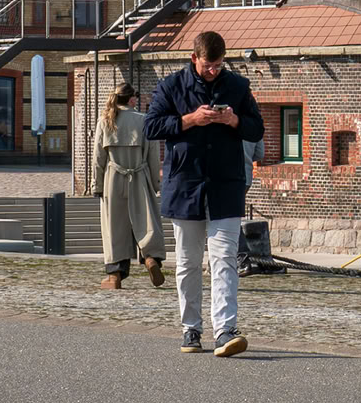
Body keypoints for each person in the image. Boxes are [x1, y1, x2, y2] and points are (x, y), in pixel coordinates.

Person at [144, 30, 263, 358]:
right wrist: (190, 120)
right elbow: (151, 127)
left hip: (226, 185)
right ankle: (191, 328)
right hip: (185, 186)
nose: (214, 71)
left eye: (219, 65)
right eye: (209, 65)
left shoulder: (237, 86)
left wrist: (234, 119)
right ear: (194, 58)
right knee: (188, 262)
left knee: (225, 259)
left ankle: (225, 329)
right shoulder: (171, 86)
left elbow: (257, 128)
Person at [92, 83, 164, 291]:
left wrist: (96, 185)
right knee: (146, 221)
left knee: (114, 226)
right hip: (139, 174)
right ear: (132, 99)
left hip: (113, 177)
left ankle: (115, 274)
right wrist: (154, 183)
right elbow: (153, 155)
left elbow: (98, 157)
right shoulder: (144, 121)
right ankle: (150, 258)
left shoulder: (105, 121)